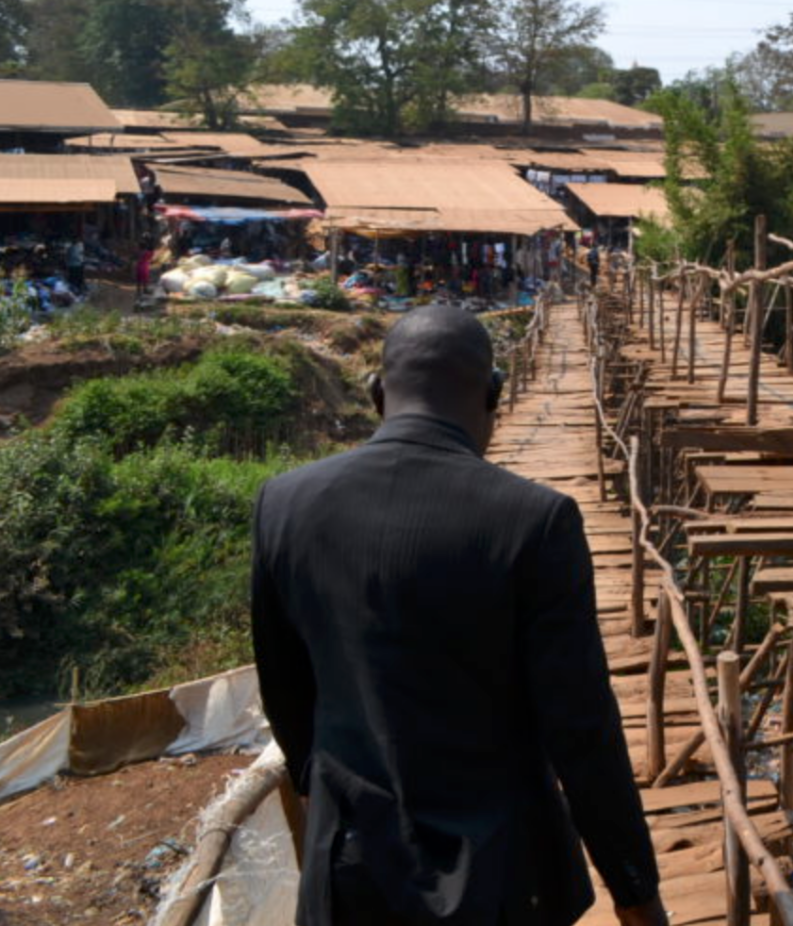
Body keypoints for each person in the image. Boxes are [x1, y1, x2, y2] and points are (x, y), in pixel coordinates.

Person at [252, 307, 667, 926]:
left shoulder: (285, 502)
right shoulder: (534, 520)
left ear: (376, 393)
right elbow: (580, 728)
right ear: (494, 394)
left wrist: (326, 807)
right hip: (499, 879)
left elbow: (284, 690)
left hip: (353, 871)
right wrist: (633, 889)